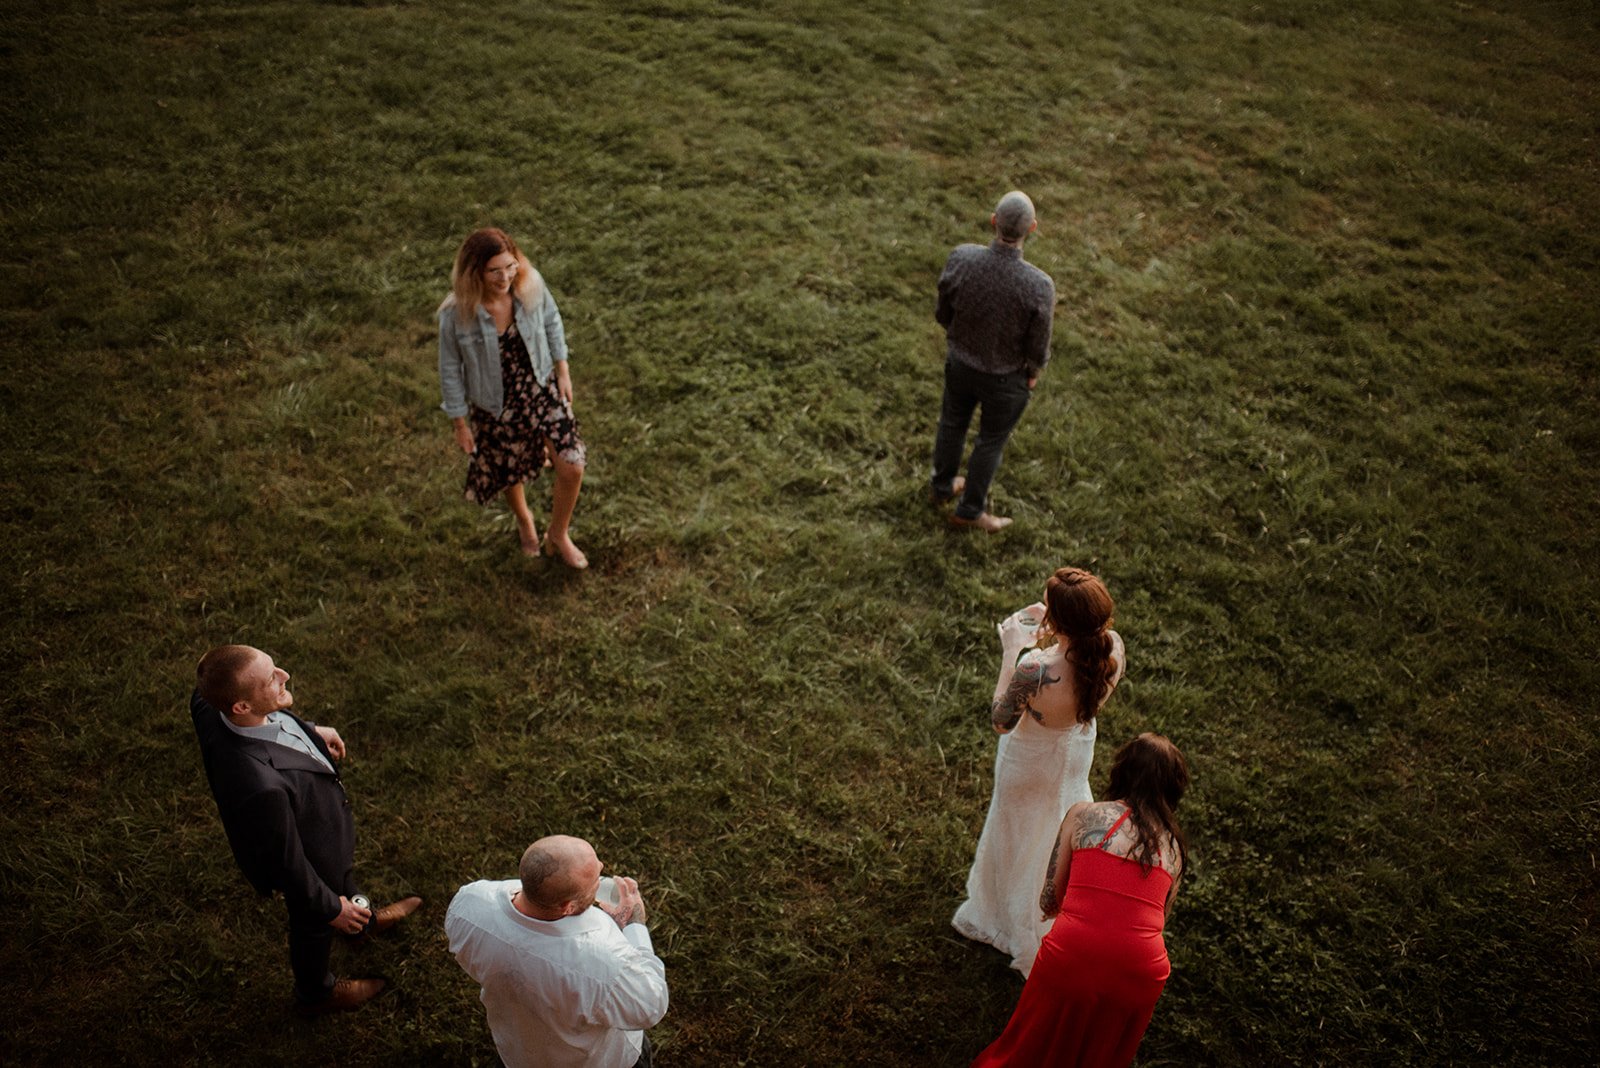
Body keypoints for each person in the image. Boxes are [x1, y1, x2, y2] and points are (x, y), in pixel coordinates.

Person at [189, 644, 423, 1015]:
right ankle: (317, 991)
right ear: (241, 707)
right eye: (271, 679)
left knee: (344, 883)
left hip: (326, 835)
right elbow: (288, 864)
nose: (284, 675)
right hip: (311, 853)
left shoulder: (210, 705)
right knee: (313, 919)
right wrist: (331, 909)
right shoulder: (260, 788)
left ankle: (360, 924)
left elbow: (207, 690)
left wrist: (309, 732)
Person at [973, 733, 1189, 1067]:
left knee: (1039, 1035)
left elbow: (1050, 897)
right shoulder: (1174, 849)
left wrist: (1063, 909)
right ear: (1173, 789)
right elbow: (1159, 915)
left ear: (1122, 770)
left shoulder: (1084, 816)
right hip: (1143, 971)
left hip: (1076, 951)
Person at [953, 566, 1125, 976]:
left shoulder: (1035, 669)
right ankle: (1057, 906)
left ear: (1055, 621)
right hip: (1074, 752)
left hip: (1028, 760)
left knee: (1016, 828)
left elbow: (1001, 719)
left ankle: (1006, 915)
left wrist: (1013, 650)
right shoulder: (1113, 649)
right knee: (1057, 828)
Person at [446, 835, 668, 1068]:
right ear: (567, 907)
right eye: (596, 880)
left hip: (520, 1055)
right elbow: (651, 1005)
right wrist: (633, 924)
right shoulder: (603, 964)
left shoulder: (469, 905)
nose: (602, 873)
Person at [438, 227, 589, 569]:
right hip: (496, 405)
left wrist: (562, 370)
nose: (506, 276)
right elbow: (449, 370)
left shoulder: (530, 286)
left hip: (540, 387)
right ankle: (524, 519)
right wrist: (460, 424)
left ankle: (558, 534)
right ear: (474, 271)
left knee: (572, 464)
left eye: (510, 266)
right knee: (510, 471)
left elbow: (552, 321)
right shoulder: (456, 314)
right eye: (495, 270)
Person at [928, 190, 1055, 533]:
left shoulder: (962, 258)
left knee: (952, 422)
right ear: (1032, 229)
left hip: (961, 363)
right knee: (990, 440)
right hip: (1005, 379)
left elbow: (943, 310)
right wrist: (1032, 371)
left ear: (993, 220)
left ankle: (941, 487)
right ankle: (969, 511)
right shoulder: (1039, 285)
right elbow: (1038, 343)